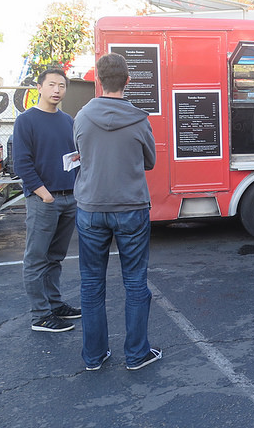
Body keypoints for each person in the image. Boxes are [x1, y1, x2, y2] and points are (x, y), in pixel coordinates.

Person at [74, 53, 160, 371]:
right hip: (131, 208)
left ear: (98, 80)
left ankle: (94, 357)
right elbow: (149, 161)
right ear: (127, 81)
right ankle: (137, 354)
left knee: (91, 284)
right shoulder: (139, 119)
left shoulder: (81, 117)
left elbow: (81, 155)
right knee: (135, 282)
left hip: (91, 208)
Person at [13, 66, 81, 332]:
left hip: (69, 198)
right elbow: (22, 163)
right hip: (45, 201)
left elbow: (75, 156)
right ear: (39, 88)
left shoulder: (68, 120)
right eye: (51, 85)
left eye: (61, 86)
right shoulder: (26, 120)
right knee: (36, 258)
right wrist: (45, 195)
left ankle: (55, 304)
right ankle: (40, 315)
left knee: (55, 257)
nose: (57, 90)